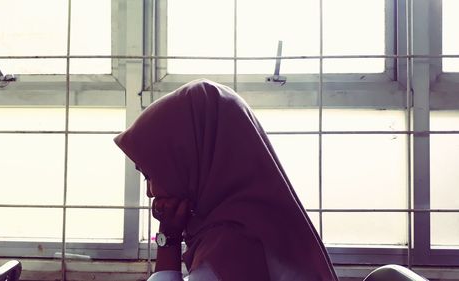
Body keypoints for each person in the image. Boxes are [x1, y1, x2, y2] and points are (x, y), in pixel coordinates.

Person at [114, 79, 338, 281]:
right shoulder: (263, 220)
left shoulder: (232, 244)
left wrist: (168, 239)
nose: (150, 192)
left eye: (150, 175)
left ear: (189, 163)